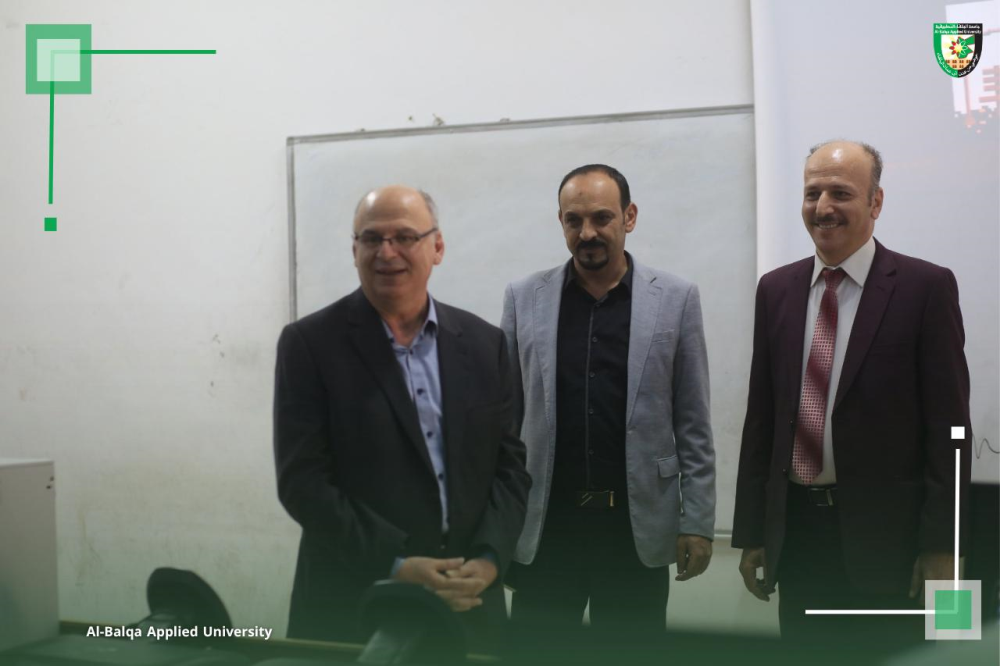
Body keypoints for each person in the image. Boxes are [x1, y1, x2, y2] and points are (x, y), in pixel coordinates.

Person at [732, 141, 971, 649]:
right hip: (799, 540)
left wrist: (945, 546)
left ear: (875, 202)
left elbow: (951, 429)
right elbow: (762, 420)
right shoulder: (775, 290)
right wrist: (753, 533)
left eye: (840, 193)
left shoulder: (925, 287)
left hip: (895, 547)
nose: (823, 208)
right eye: (812, 193)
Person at [273, 185, 531, 647]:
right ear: (354, 250)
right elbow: (302, 482)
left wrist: (490, 559)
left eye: (405, 237)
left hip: (469, 604)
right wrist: (395, 564)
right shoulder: (310, 345)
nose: (387, 252)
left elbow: (509, 468)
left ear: (437, 247)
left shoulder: (483, 344)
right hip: (354, 605)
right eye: (372, 238)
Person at [500, 164, 716, 641]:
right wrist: (498, 525)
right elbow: (506, 423)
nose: (587, 233)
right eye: (573, 220)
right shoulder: (523, 298)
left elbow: (693, 422)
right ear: (561, 222)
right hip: (547, 529)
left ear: (629, 216)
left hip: (635, 531)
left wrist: (698, 522)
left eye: (601, 217)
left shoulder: (676, 298)